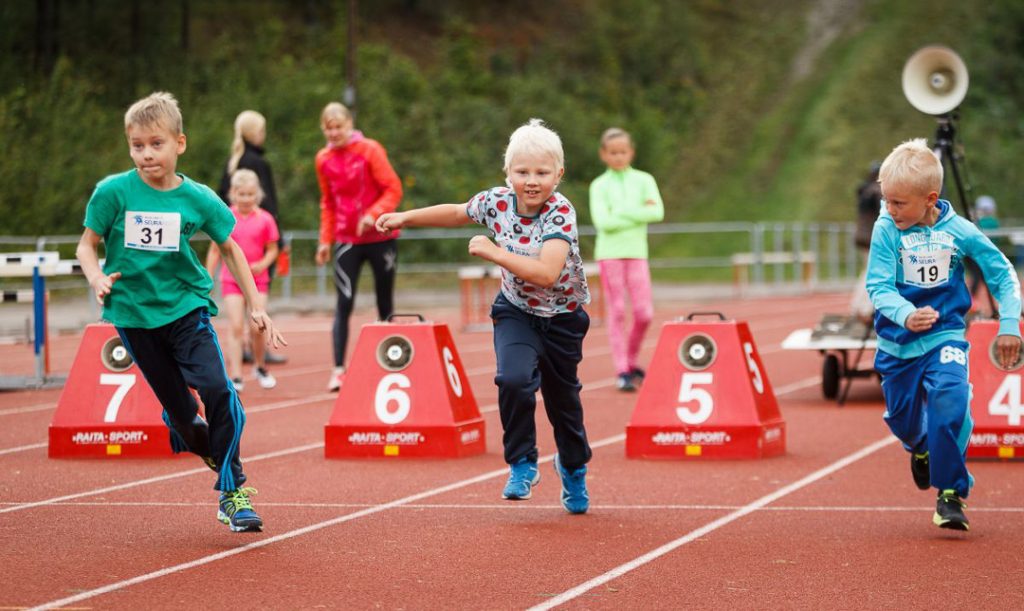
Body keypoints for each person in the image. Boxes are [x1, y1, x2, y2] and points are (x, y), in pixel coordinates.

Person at [76, 92, 287, 533]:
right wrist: (95, 276)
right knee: (184, 420)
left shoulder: (200, 198)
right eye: (137, 145)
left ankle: (233, 491)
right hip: (133, 316)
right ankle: (203, 443)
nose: (146, 154)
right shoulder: (113, 192)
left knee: (218, 388)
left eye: (156, 144)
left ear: (180, 144)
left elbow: (229, 248)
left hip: (187, 309)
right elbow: (87, 244)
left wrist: (255, 305)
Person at [376, 118, 593, 514]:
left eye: (542, 173)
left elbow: (546, 273)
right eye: (521, 171)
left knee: (563, 403)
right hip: (515, 311)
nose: (531, 181)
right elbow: (458, 212)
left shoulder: (559, 213)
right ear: (507, 173)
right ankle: (522, 463)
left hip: (562, 317)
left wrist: (494, 253)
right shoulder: (496, 201)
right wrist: (406, 217)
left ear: (558, 175)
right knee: (512, 380)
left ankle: (574, 467)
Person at [866, 138, 1021, 532]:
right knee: (902, 420)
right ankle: (919, 449)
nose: (889, 209)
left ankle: (951, 494)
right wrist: (905, 314)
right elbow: (878, 286)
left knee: (949, 403)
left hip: (945, 336)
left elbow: (1002, 272)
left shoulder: (960, 231)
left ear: (929, 198)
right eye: (886, 201)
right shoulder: (886, 229)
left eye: (899, 203)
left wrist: (1009, 325)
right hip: (896, 344)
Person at [314, 102, 402, 391]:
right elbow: (327, 202)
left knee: (384, 300)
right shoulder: (323, 159)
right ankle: (338, 369)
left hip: (381, 237)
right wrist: (324, 240)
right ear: (324, 129)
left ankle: (389, 364)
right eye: (329, 127)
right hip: (346, 239)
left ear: (350, 125)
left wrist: (373, 214)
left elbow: (393, 188)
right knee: (344, 302)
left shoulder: (370, 150)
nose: (334, 131)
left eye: (339, 126)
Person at [588, 127, 664, 391]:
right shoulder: (599, 185)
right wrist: (638, 211)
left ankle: (631, 360)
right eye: (613, 152)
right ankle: (622, 368)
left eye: (623, 151)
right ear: (604, 154)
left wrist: (622, 211)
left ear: (631, 152)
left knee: (644, 313)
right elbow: (603, 222)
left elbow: (657, 212)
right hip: (609, 255)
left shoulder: (644, 180)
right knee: (618, 311)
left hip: (637, 254)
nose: (618, 157)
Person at [218, 109, 288, 366]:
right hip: (259, 236)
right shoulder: (259, 163)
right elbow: (268, 199)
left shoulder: (232, 161)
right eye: (261, 131)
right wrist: (274, 236)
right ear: (253, 133)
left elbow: (219, 195)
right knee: (257, 295)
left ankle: (249, 347)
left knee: (244, 301)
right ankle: (259, 349)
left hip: (236, 231)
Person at [206, 169, 280, 392]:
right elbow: (214, 252)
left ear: (257, 194)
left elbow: (273, 250)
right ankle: (236, 375)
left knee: (257, 327)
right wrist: (207, 279)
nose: (246, 199)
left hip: (258, 280)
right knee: (236, 326)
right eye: (241, 194)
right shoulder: (226, 217)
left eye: (250, 194)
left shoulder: (266, 219)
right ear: (233, 193)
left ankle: (260, 366)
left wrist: (263, 264)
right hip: (231, 280)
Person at [850, 161, 882, 323]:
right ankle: (862, 307)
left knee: (868, 269)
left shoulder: (865, 190)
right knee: (871, 271)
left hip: (863, 236)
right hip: (871, 237)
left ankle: (859, 306)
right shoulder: (876, 192)